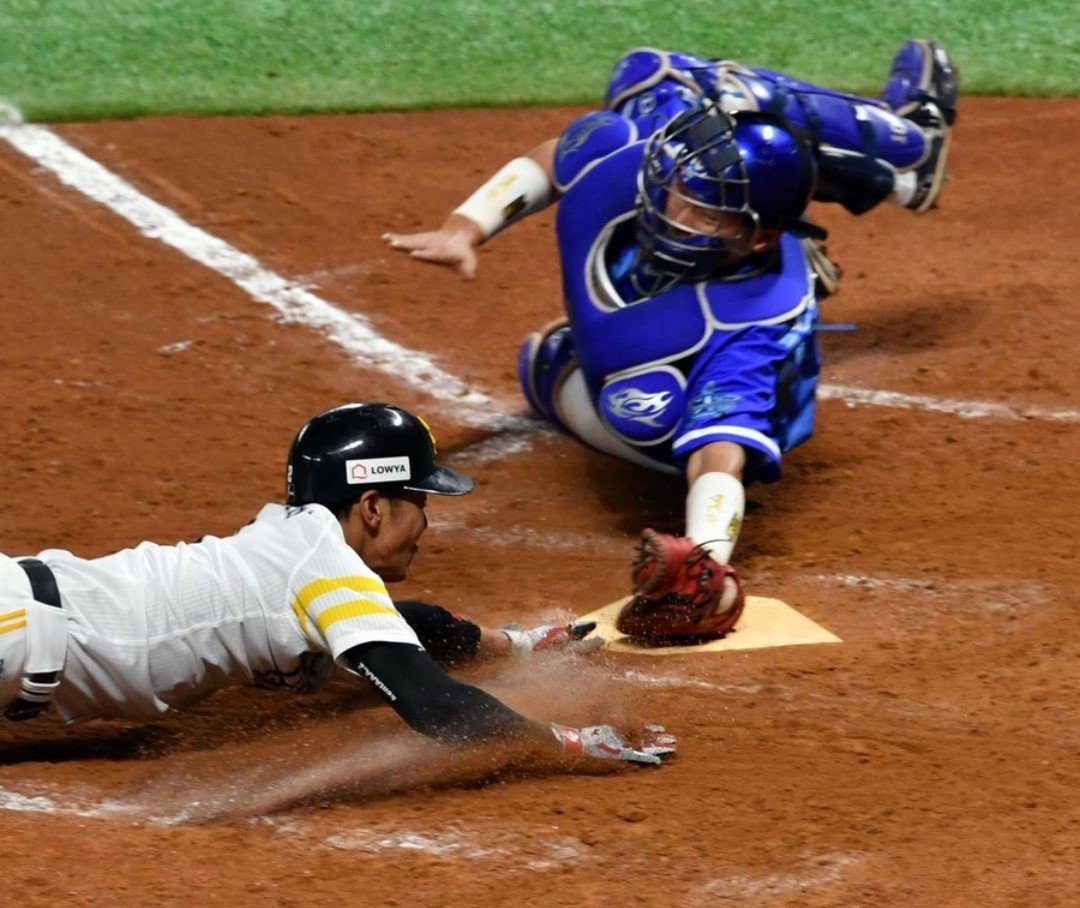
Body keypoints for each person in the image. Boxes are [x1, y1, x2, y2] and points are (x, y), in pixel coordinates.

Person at [383, 41, 958, 642]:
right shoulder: (643, 159)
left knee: (637, 409)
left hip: (710, 365)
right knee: (649, 70)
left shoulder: (755, 323)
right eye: (681, 193)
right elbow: (554, 161)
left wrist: (705, 558)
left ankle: (819, 226)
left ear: (756, 239)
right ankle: (904, 150)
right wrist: (464, 227)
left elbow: (720, 454)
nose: (677, 212)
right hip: (706, 253)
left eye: (706, 215)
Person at [0, 402, 674, 766]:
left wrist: (514, 647)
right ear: (372, 506)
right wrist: (575, 744)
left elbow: (403, 629)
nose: (426, 524)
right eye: (419, 501)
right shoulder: (321, 568)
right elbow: (437, 707)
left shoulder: (297, 546)